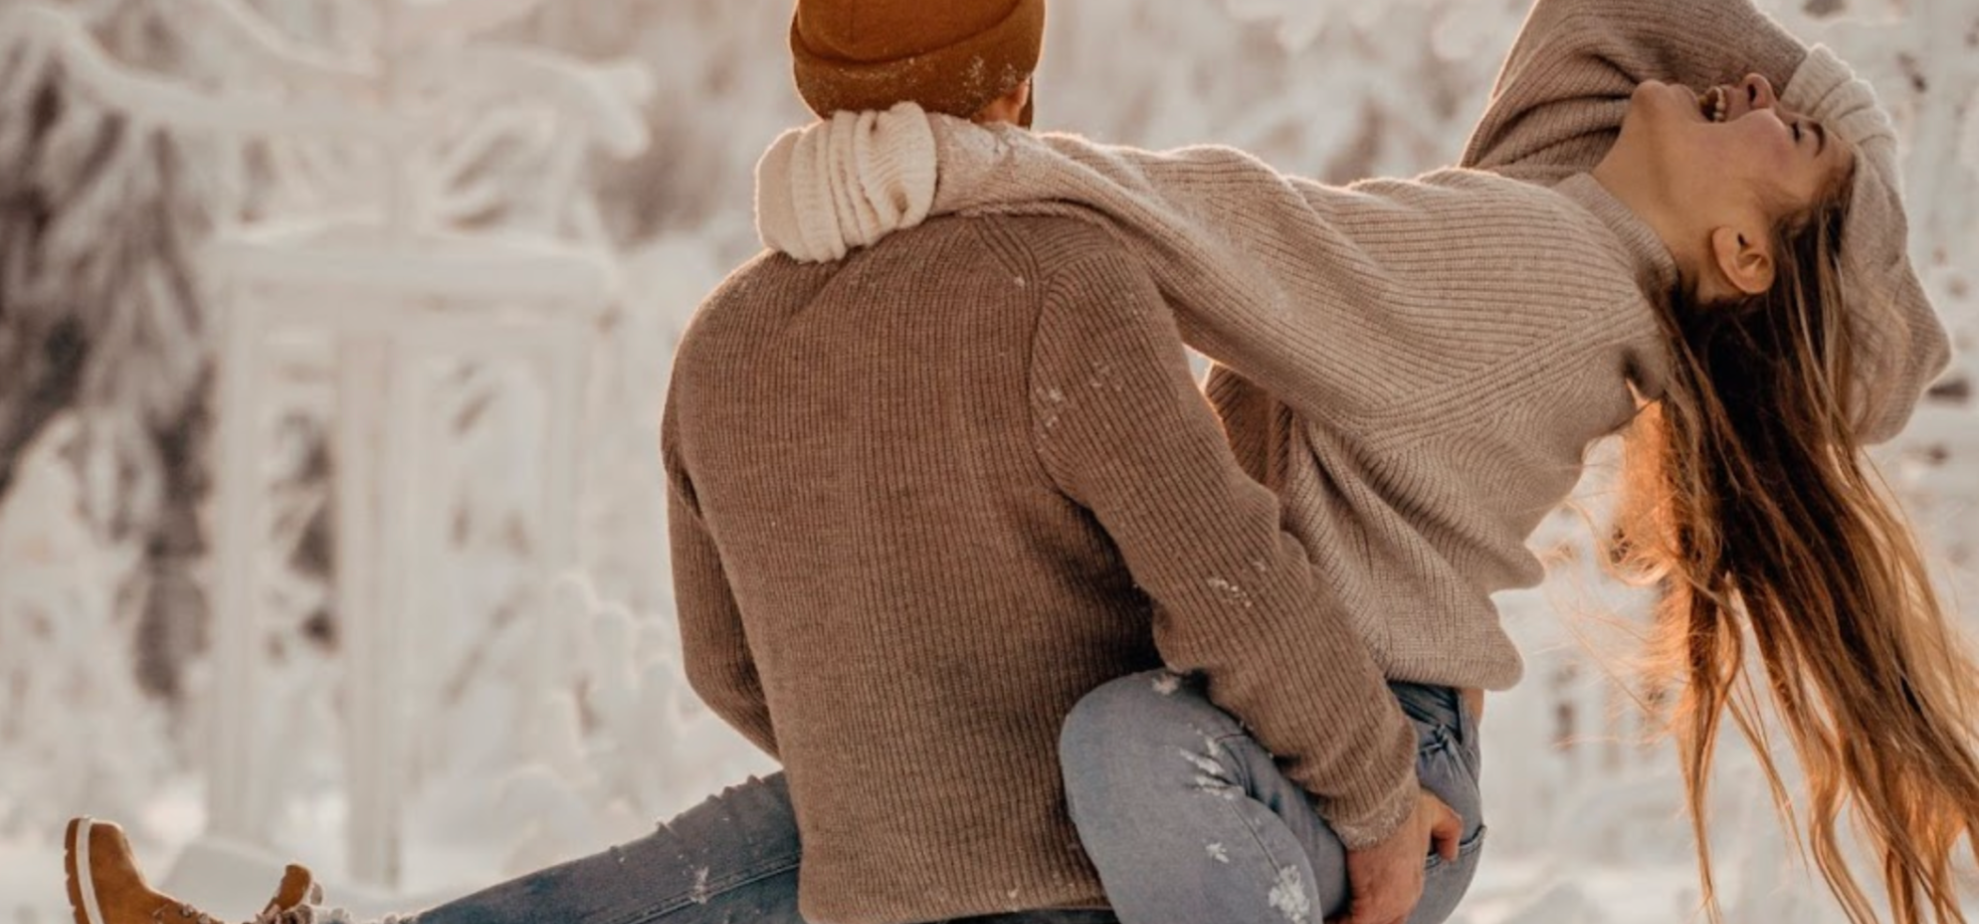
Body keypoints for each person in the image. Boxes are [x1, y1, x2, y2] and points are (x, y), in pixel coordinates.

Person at [61, 2, 1471, 924]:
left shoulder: (726, 337)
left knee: (674, 876)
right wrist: (1371, 793)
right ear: (1018, 83)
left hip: (866, 881)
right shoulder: (1064, 282)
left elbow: (728, 671)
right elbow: (1229, 579)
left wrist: (902, 772)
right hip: (1087, 879)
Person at [758, 0, 1977, 920]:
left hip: (1343, 772)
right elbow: (1598, 19)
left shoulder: (1538, 276)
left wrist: (946, 168)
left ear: (1745, 258)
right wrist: (1827, 109)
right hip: (1287, 738)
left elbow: (1242, 232)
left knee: (1114, 746)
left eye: (1790, 124)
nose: (1752, 80)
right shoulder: (1564, 228)